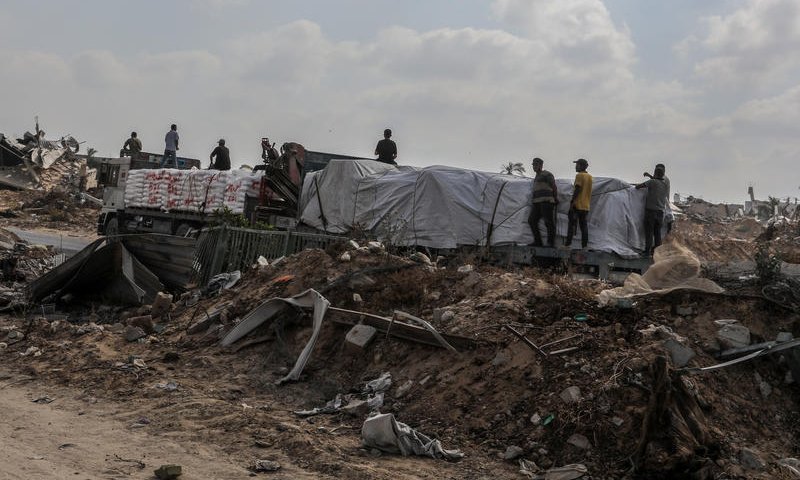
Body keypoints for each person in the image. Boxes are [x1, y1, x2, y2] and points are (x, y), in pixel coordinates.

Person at [635, 164, 670, 257]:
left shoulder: (652, 182)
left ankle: (646, 252)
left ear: (655, 173)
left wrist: (648, 178)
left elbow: (638, 187)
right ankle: (656, 253)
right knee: (657, 233)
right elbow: (657, 181)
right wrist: (650, 176)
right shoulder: (665, 184)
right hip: (660, 213)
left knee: (649, 232)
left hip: (651, 212)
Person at [528, 157, 558, 247]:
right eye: (533, 165)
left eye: (536, 165)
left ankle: (550, 243)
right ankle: (538, 242)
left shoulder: (547, 174)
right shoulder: (536, 177)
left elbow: (554, 186)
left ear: (541, 165)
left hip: (546, 201)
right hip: (537, 202)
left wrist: (555, 198)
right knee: (531, 220)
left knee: (548, 222)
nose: (534, 167)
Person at [565, 158, 592, 248]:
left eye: (577, 165)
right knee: (583, 226)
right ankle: (584, 246)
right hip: (586, 206)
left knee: (571, 225)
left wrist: (572, 201)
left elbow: (578, 189)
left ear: (581, 166)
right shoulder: (590, 177)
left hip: (577, 205)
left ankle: (568, 245)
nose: (576, 167)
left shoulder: (579, 175)